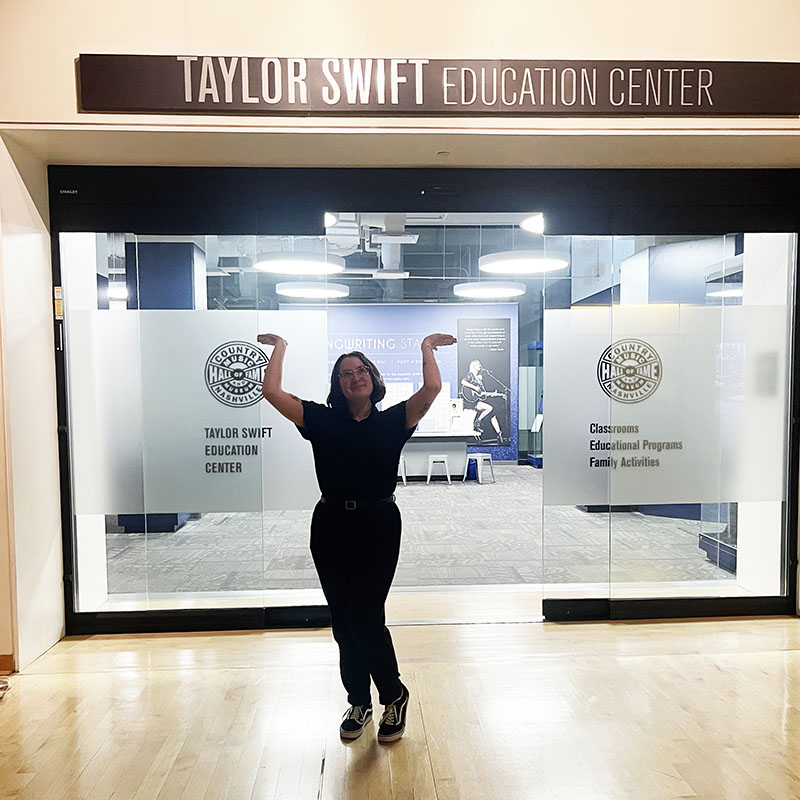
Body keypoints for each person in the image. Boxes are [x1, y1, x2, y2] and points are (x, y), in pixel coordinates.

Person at [257, 332, 457, 743]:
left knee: (366, 617)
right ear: (338, 384)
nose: (355, 377)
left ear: (373, 377)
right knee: (343, 623)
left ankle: (393, 694)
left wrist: (425, 348)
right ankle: (359, 700)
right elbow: (271, 391)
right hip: (330, 525)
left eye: (361, 369)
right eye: (346, 373)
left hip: (379, 525)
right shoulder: (320, 420)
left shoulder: (394, 420)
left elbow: (432, 388)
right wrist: (281, 346)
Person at [460, 359, 506, 443]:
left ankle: (499, 434)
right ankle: (477, 421)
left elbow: (481, 394)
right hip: (471, 402)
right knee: (489, 408)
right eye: (477, 364)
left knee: (493, 414)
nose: (480, 365)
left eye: (480, 364)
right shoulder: (470, 375)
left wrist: (494, 394)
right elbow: (463, 382)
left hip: (477, 400)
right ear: (473, 366)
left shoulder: (479, 378)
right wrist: (474, 387)